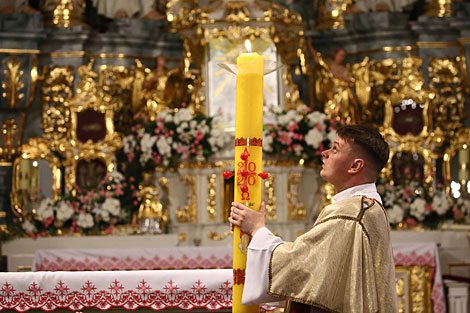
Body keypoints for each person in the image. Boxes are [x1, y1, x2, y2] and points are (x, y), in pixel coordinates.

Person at [229, 124, 398, 313]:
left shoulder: (350, 213)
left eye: (335, 148)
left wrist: (257, 229)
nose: (325, 153)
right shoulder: (367, 207)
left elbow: (299, 266)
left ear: (355, 165)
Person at [307, 39, 358, 124]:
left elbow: (352, 80)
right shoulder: (329, 66)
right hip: (331, 95)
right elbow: (318, 59)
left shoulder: (346, 68)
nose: (342, 58)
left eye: (344, 56)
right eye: (341, 55)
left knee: (345, 93)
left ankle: (347, 121)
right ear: (335, 55)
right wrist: (310, 46)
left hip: (344, 95)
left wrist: (343, 77)